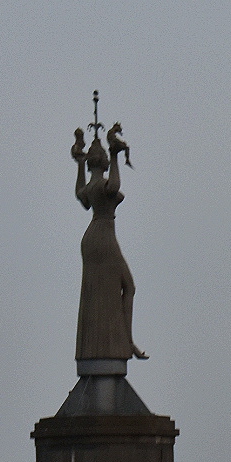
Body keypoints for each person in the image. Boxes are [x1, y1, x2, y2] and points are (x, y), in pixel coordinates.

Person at [72, 126, 147, 361]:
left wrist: (79, 164)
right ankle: (127, 341)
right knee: (129, 286)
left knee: (99, 290)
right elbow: (114, 187)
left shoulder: (89, 187)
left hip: (92, 237)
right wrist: (116, 155)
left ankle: (120, 341)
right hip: (103, 235)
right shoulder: (102, 185)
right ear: (103, 161)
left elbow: (81, 198)